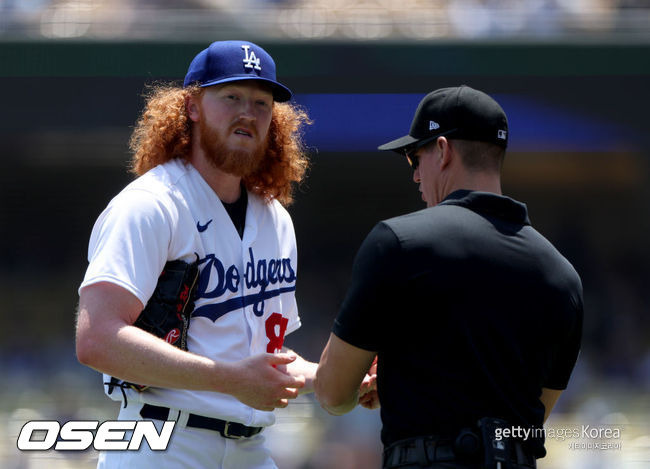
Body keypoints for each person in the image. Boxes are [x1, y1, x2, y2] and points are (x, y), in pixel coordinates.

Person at [76, 40, 318, 469]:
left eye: (262, 102)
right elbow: (96, 340)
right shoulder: (152, 204)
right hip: (163, 443)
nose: (248, 112)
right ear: (191, 106)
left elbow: (267, 359)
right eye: (231, 97)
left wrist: (339, 380)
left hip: (254, 450)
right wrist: (229, 380)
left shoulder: (276, 219)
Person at [314, 85, 583, 469]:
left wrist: (384, 383)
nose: (415, 176)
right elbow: (531, 417)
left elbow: (332, 392)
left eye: (414, 157)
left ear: (442, 150)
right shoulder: (564, 277)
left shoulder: (398, 243)